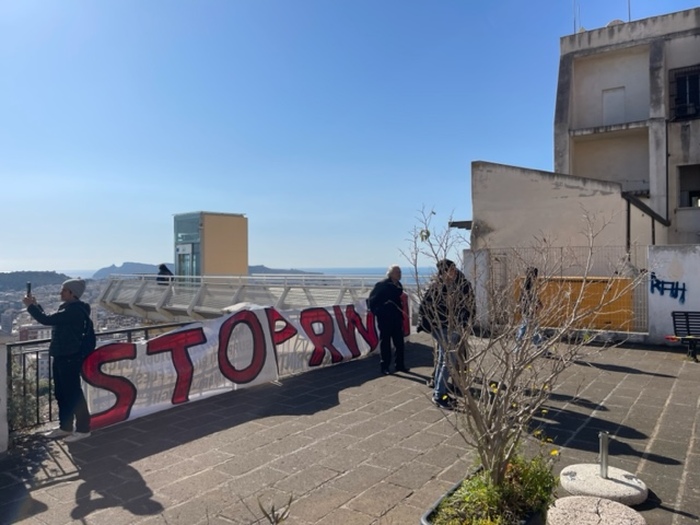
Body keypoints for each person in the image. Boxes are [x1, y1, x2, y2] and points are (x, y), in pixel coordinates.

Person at [23, 278, 92, 442]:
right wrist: (36, 305)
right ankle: (65, 426)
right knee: (61, 392)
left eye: (64, 290)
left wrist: (30, 307)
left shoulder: (74, 311)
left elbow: (47, 320)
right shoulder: (68, 308)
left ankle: (83, 429)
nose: (60, 293)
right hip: (62, 355)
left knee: (73, 393)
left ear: (72, 293)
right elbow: (51, 318)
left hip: (70, 356)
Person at [419, 259, 475, 409]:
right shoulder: (437, 288)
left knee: (444, 361)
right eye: (451, 269)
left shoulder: (455, 285)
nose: (454, 271)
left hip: (452, 328)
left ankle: (440, 392)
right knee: (447, 363)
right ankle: (439, 395)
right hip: (443, 329)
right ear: (444, 272)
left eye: (454, 268)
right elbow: (425, 308)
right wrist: (435, 325)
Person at [368, 264, 407, 375]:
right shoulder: (382, 285)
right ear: (390, 274)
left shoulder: (398, 285)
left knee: (399, 342)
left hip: (396, 317)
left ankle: (399, 365)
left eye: (400, 272)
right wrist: (379, 312)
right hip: (385, 318)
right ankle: (384, 366)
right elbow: (372, 300)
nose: (399, 274)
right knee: (385, 343)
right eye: (397, 272)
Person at [515, 266, 543, 348]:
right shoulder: (529, 285)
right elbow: (530, 295)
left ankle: (518, 347)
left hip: (526, 309)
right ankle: (538, 346)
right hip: (529, 310)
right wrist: (538, 303)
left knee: (525, 328)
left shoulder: (526, 284)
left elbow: (522, 297)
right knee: (532, 329)